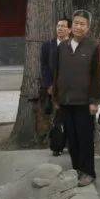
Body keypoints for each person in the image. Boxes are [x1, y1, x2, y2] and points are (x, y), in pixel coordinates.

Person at [51, 9, 100, 187]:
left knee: (85, 138)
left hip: (84, 102)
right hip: (66, 101)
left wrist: (94, 101)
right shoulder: (62, 47)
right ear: (71, 26)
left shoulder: (94, 46)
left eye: (82, 24)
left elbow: (97, 76)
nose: (78, 26)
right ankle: (76, 170)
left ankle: (88, 172)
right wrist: (56, 98)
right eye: (76, 23)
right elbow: (57, 73)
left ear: (88, 27)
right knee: (71, 139)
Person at [41, 17, 71, 156]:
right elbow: (44, 66)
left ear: (69, 30)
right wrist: (49, 84)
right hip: (55, 87)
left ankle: (72, 144)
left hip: (72, 87)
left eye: (63, 26)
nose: (60, 28)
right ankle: (57, 146)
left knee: (72, 116)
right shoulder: (48, 45)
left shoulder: (74, 45)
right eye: (58, 26)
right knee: (58, 116)